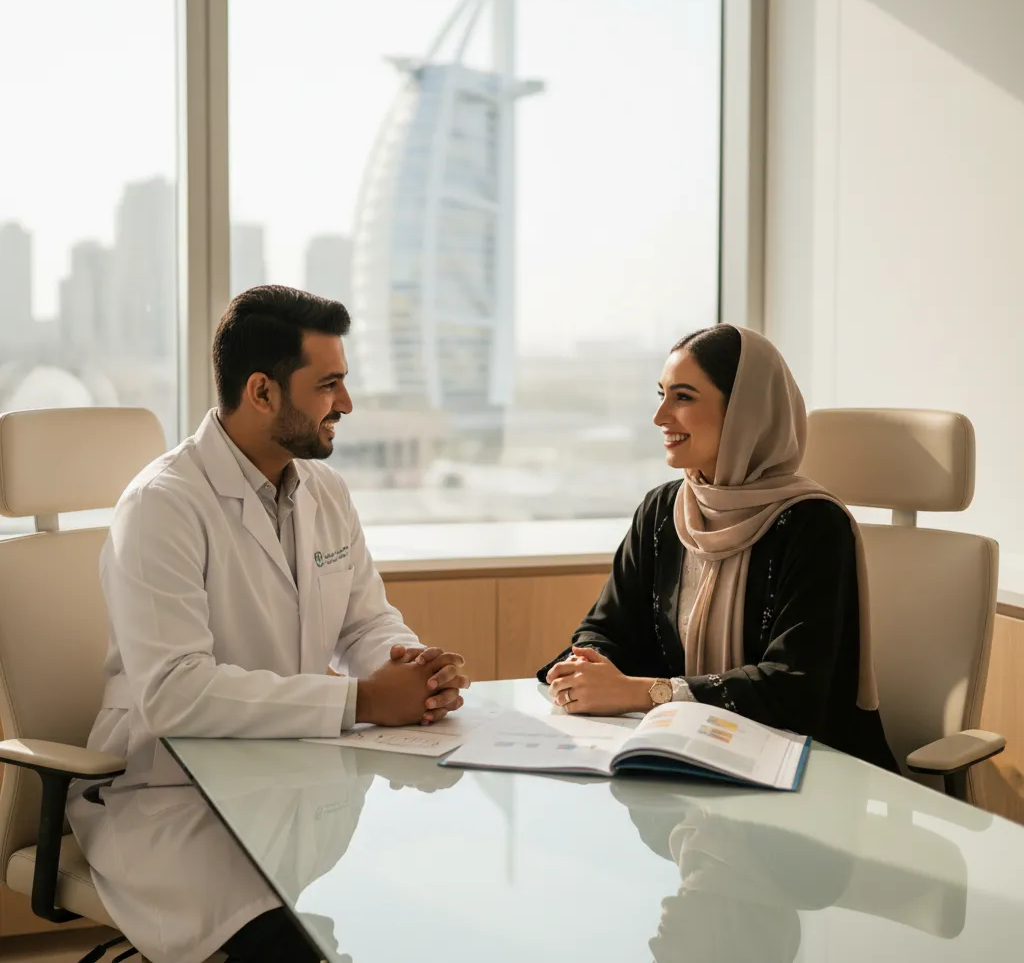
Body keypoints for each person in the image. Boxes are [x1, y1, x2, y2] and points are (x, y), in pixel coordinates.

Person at [67, 286, 470, 963]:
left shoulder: (325, 490)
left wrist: (413, 667)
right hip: (172, 797)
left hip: (295, 782)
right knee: (289, 944)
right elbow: (175, 692)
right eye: (329, 385)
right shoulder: (162, 506)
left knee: (421, 909)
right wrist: (364, 699)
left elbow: (365, 621)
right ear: (262, 392)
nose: (346, 404)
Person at [539, 324, 898, 771]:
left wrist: (646, 693)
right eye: (661, 394)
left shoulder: (813, 524)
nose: (660, 416)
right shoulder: (662, 510)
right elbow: (608, 626)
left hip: (805, 770)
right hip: (688, 759)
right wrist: (586, 669)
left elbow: (796, 687)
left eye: (684, 397)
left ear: (744, 412)